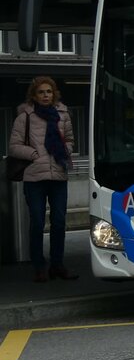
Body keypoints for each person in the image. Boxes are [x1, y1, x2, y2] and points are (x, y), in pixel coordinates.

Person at [9, 76, 77, 283]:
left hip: (58, 174)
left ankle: (57, 265)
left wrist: (65, 151)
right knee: (37, 223)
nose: (45, 95)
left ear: (54, 93)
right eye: (41, 92)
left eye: (49, 91)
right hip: (34, 177)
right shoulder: (25, 117)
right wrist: (33, 155)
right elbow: (13, 146)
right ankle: (39, 266)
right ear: (34, 95)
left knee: (58, 222)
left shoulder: (63, 115)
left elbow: (71, 141)